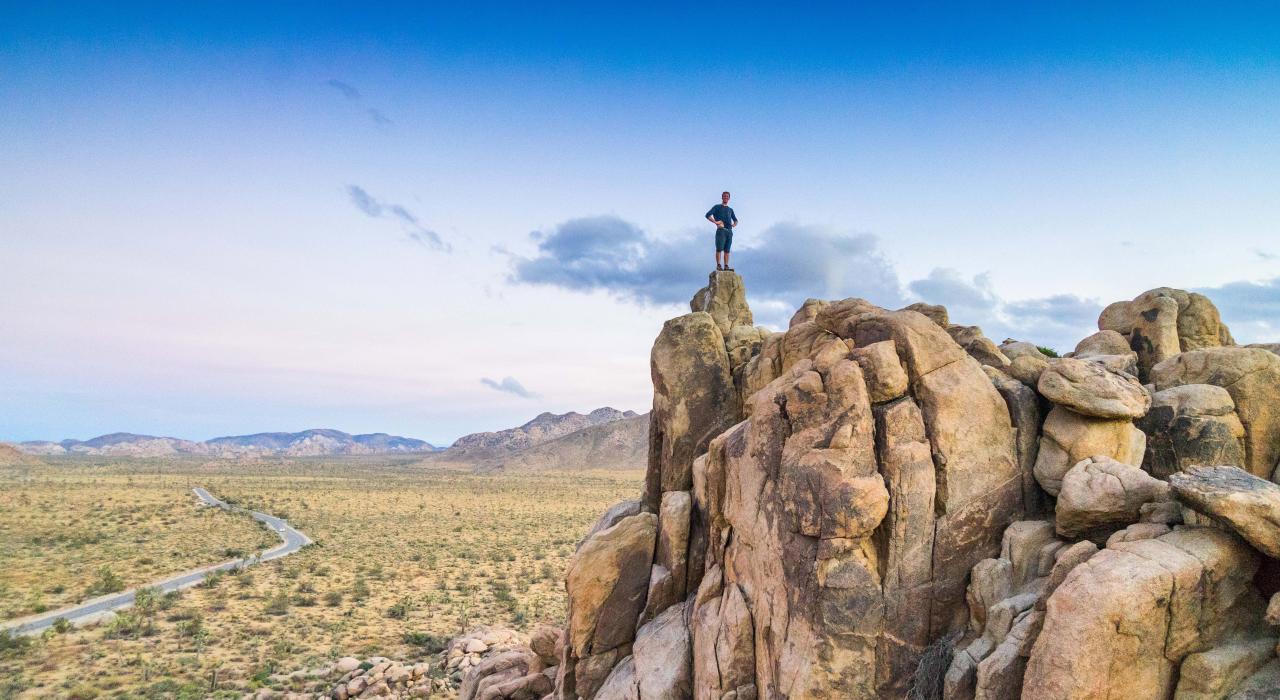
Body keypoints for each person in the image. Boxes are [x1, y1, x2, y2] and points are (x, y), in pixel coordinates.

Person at [705, 191, 738, 271]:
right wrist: (715, 222)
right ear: (722, 197)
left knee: (727, 250)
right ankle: (719, 265)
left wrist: (734, 224)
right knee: (719, 249)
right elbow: (707, 215)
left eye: (727, 196)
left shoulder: (730, 210)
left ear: (729, 198)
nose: (726, 197)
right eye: (724, 196)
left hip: (729, 231)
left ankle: (726, 266)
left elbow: (736, 220)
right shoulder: (717, 207)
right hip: (721, 230)